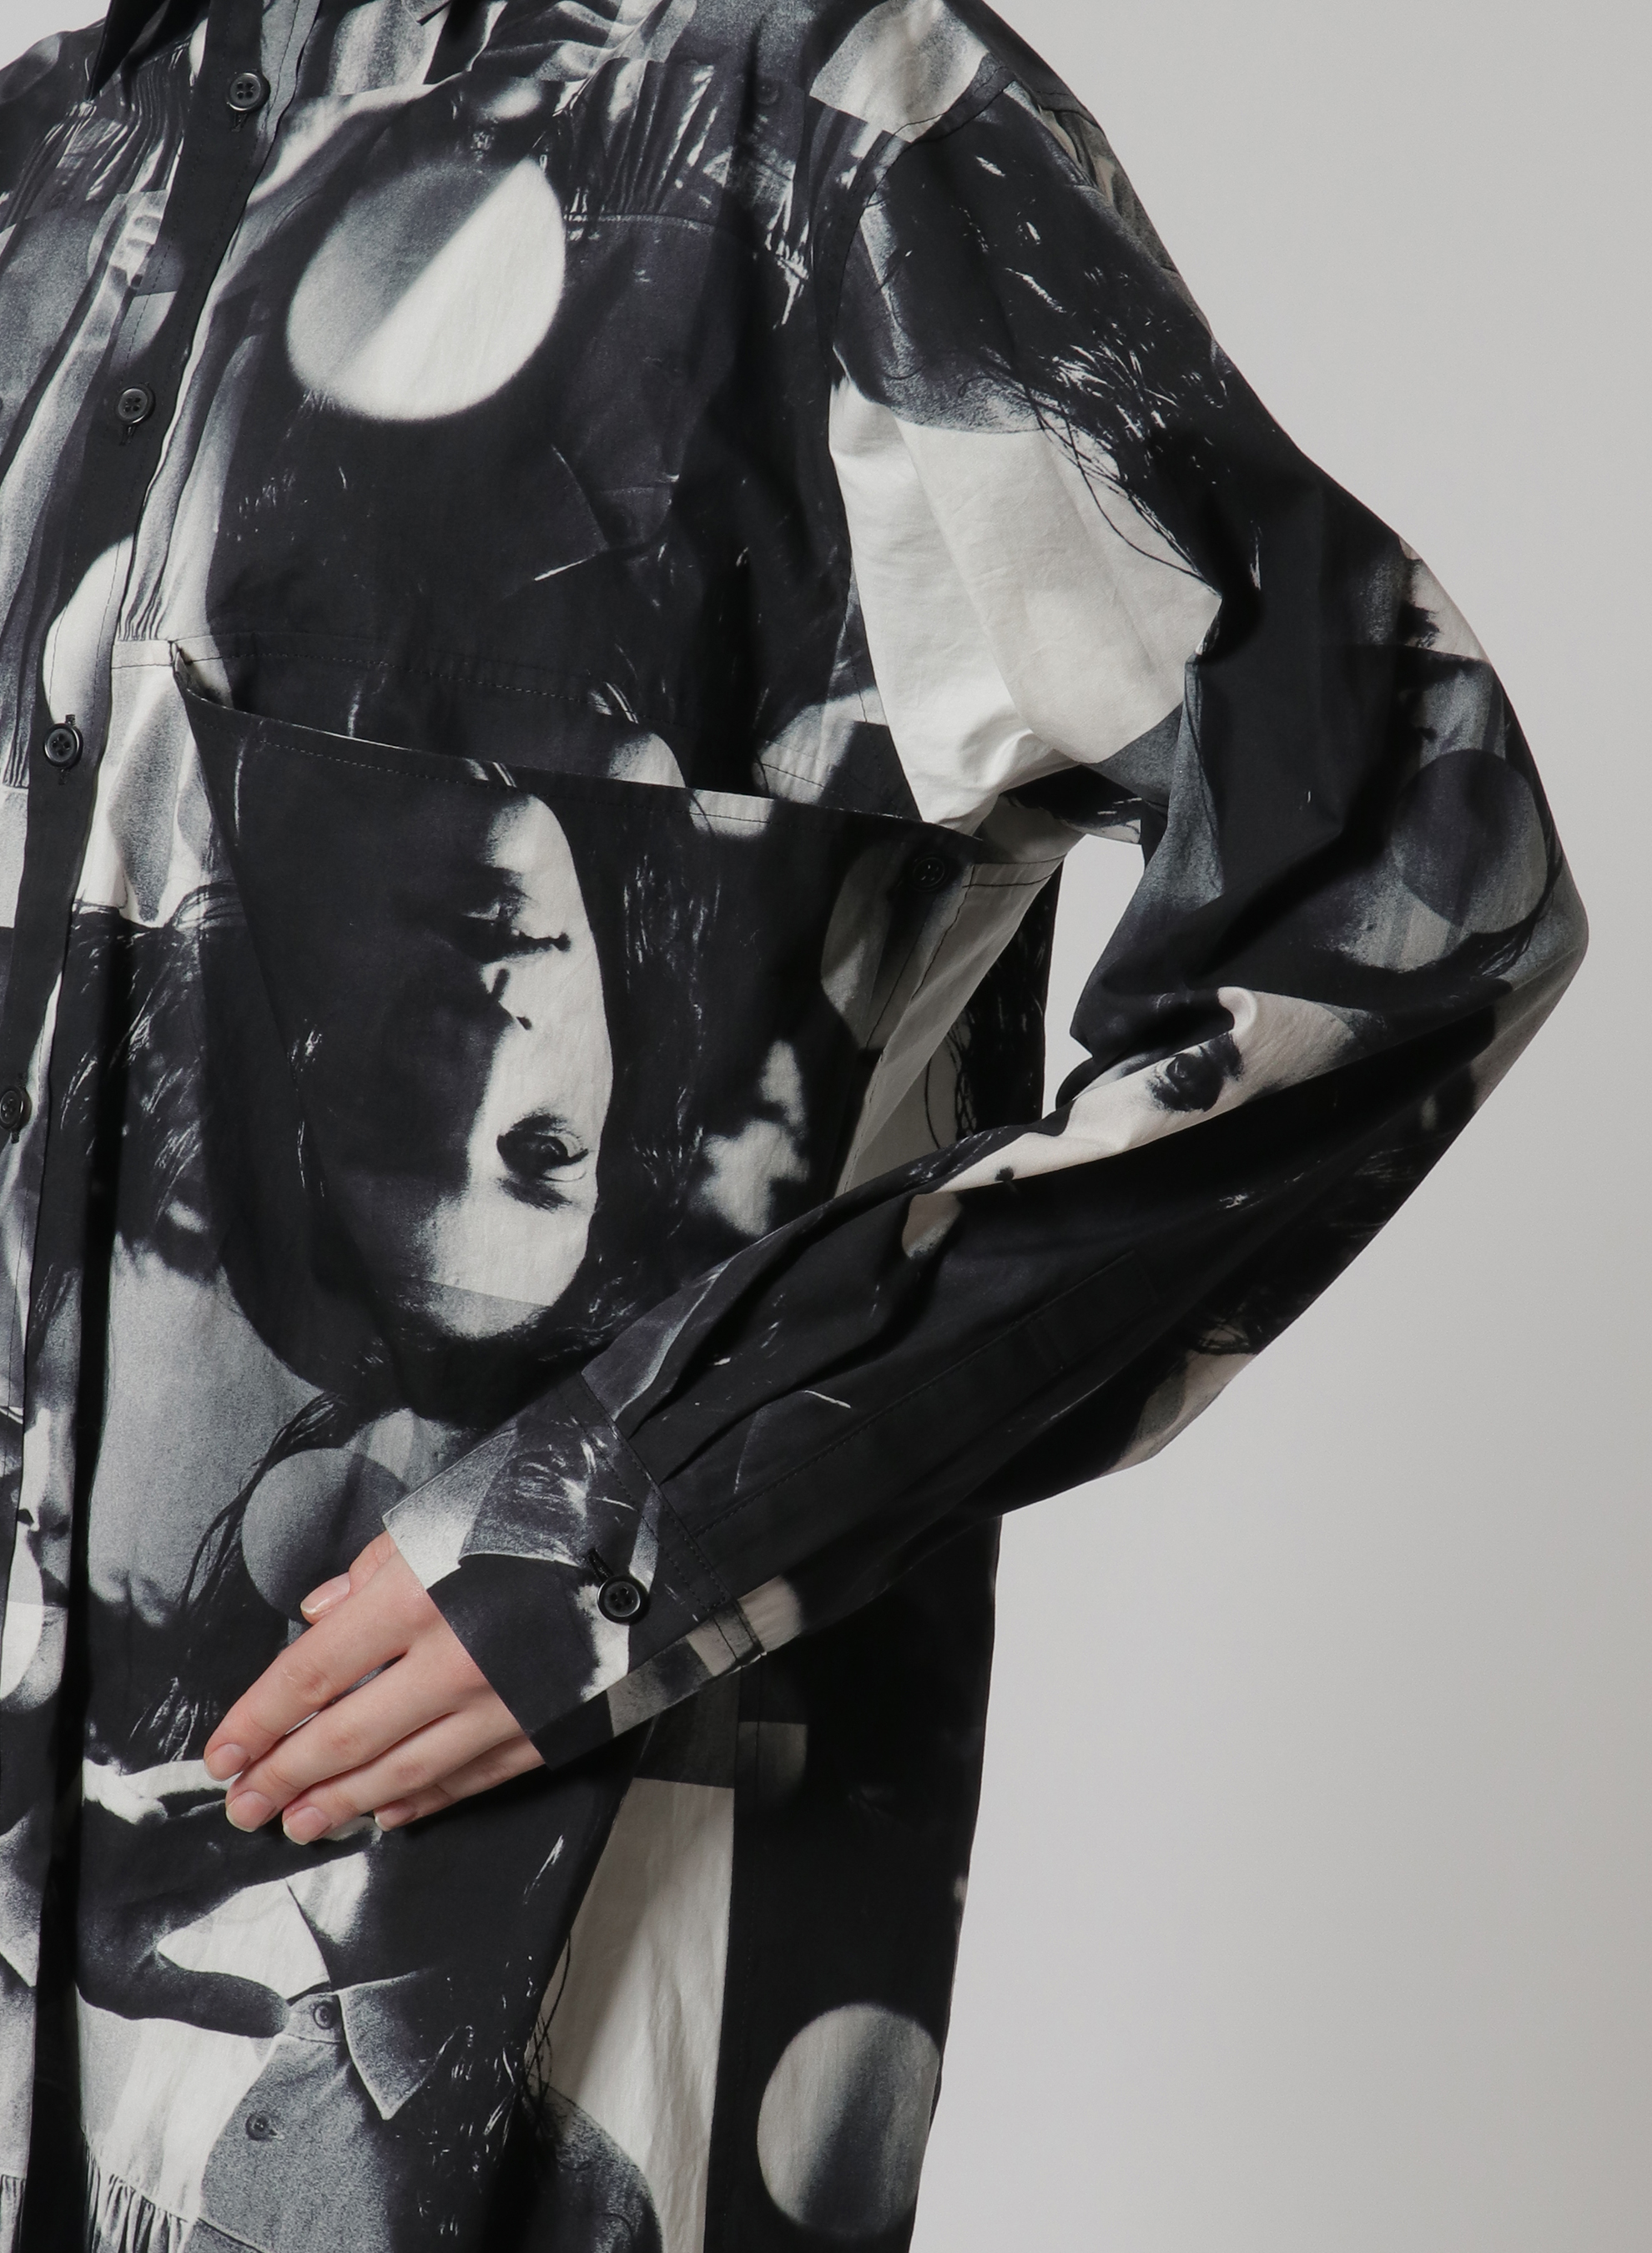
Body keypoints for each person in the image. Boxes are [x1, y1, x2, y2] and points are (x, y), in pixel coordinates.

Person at [0, 1, 1584, 2248]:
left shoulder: (816, 137)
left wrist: (637, 1517)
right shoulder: (38, 166)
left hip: (472, 2002)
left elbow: (1409, 887)